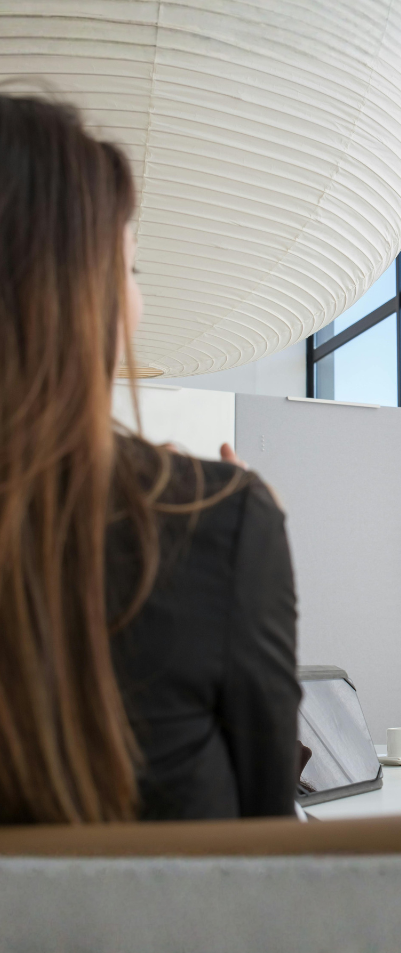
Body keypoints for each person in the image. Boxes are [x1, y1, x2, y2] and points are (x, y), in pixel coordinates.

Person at [0, 93, 301, 823]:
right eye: (132, 271)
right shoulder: (222, 524)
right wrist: (231, 539)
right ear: (80, 296)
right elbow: (269, 848)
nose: (137, 303)